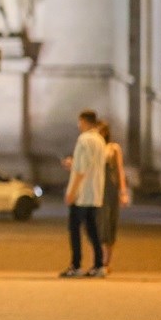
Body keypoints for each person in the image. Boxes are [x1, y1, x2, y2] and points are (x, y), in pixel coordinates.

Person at [60, 109, 107, 278]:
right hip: (95, 192)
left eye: (79, 122)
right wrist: (73, 164)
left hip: (81, 193)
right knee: (93, 230)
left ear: (85, 121)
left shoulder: (84, 139)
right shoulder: (100, 140)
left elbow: (81, 169)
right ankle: (99, 265)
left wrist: (71, 191)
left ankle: (76, 265)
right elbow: (91, 165)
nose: (78, 125)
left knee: (74, 229)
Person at [96, 122, 130, 272]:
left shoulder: (113, 148)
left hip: (110, 190)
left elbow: (120, 171)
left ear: (105, 132)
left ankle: (106, 262)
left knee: (109, 223)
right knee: (97, 225)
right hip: (96, 189)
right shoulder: (93, 147)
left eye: (100, 131)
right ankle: (98, 261)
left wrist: (123, 192)